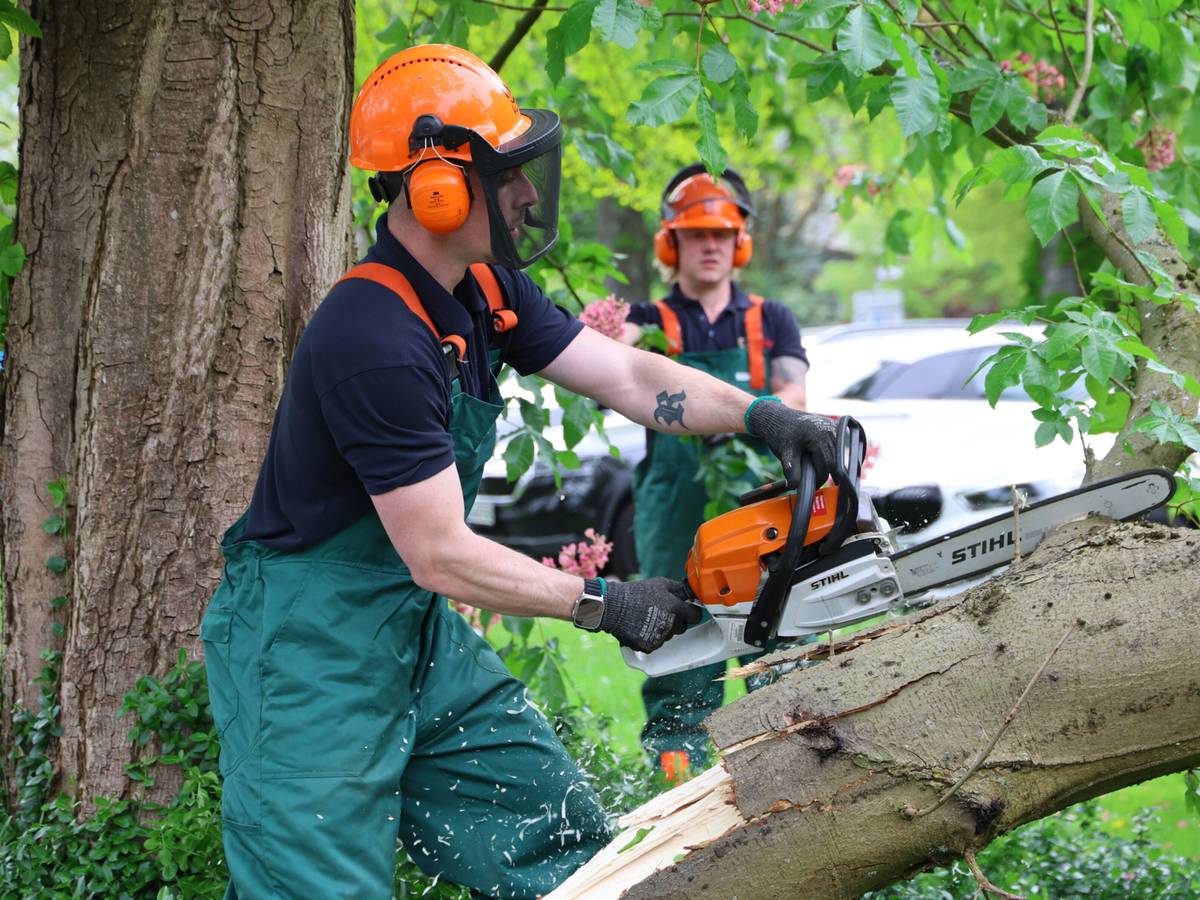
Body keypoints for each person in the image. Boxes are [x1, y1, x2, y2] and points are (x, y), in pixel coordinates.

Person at [200, 45, 837, 900]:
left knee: (563, 841)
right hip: (305, 649)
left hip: (408, 625)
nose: (530, 194)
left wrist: (767, 416)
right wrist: (605, 604)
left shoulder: (484, 291)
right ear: (437, 189)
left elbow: (625, 376)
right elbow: (441, 554)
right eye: (508, 175)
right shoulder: (374, 338)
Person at [621, 165, 812, 781]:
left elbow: (794, 400)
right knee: (678, 631)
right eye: (697, 234)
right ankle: (679, 777)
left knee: (781, 622)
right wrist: (609, 336)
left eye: (723, 235)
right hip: (673, 500)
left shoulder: (771, 319)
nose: (711, 246)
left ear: (740, 244)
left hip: (758, 494)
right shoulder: (645, 321)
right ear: (670, 242)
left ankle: (786, 767)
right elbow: (612, 379)